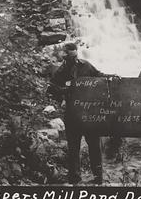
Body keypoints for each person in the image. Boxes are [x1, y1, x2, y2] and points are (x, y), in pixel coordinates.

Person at [48, 42, 117, 185]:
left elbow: (99, 76)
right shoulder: (61, 71)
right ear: (64, 55)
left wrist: (112, 77)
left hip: (90, 113)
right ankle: (74, 178)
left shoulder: (86, 65)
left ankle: (98, 177)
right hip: (72, 114)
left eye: (73, 54)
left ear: (76, 53)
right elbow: (51, 88)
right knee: (73, 147)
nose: (71, 58)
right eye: (68, 55)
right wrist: (64, 92)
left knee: (94, 145)